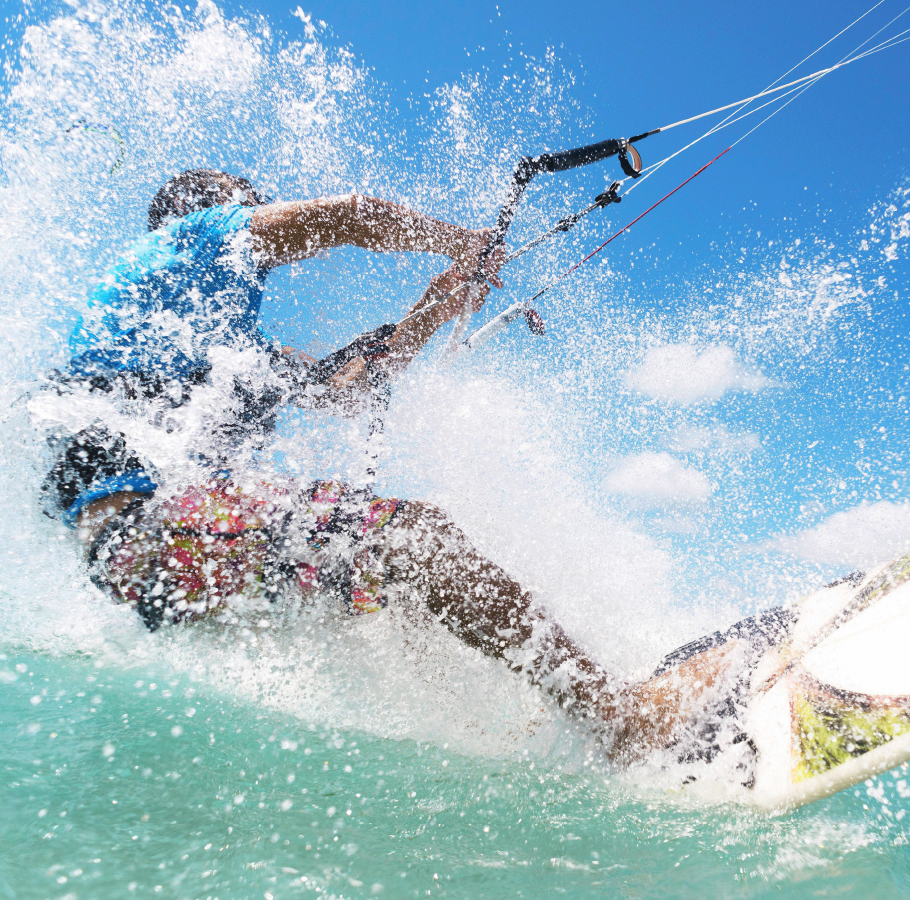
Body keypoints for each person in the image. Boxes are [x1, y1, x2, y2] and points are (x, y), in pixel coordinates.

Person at [40, 169, 736, 762]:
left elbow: (358, 383)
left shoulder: (232, 349)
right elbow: (348, 216)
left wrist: (442, 297)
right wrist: (466, 240)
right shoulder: (174, 247)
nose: (257, 214)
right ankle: (620, 721)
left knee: (391, 592)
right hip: (146, 533)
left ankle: (523, 720)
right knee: (414, 539)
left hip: (187, 554)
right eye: (242, 202)